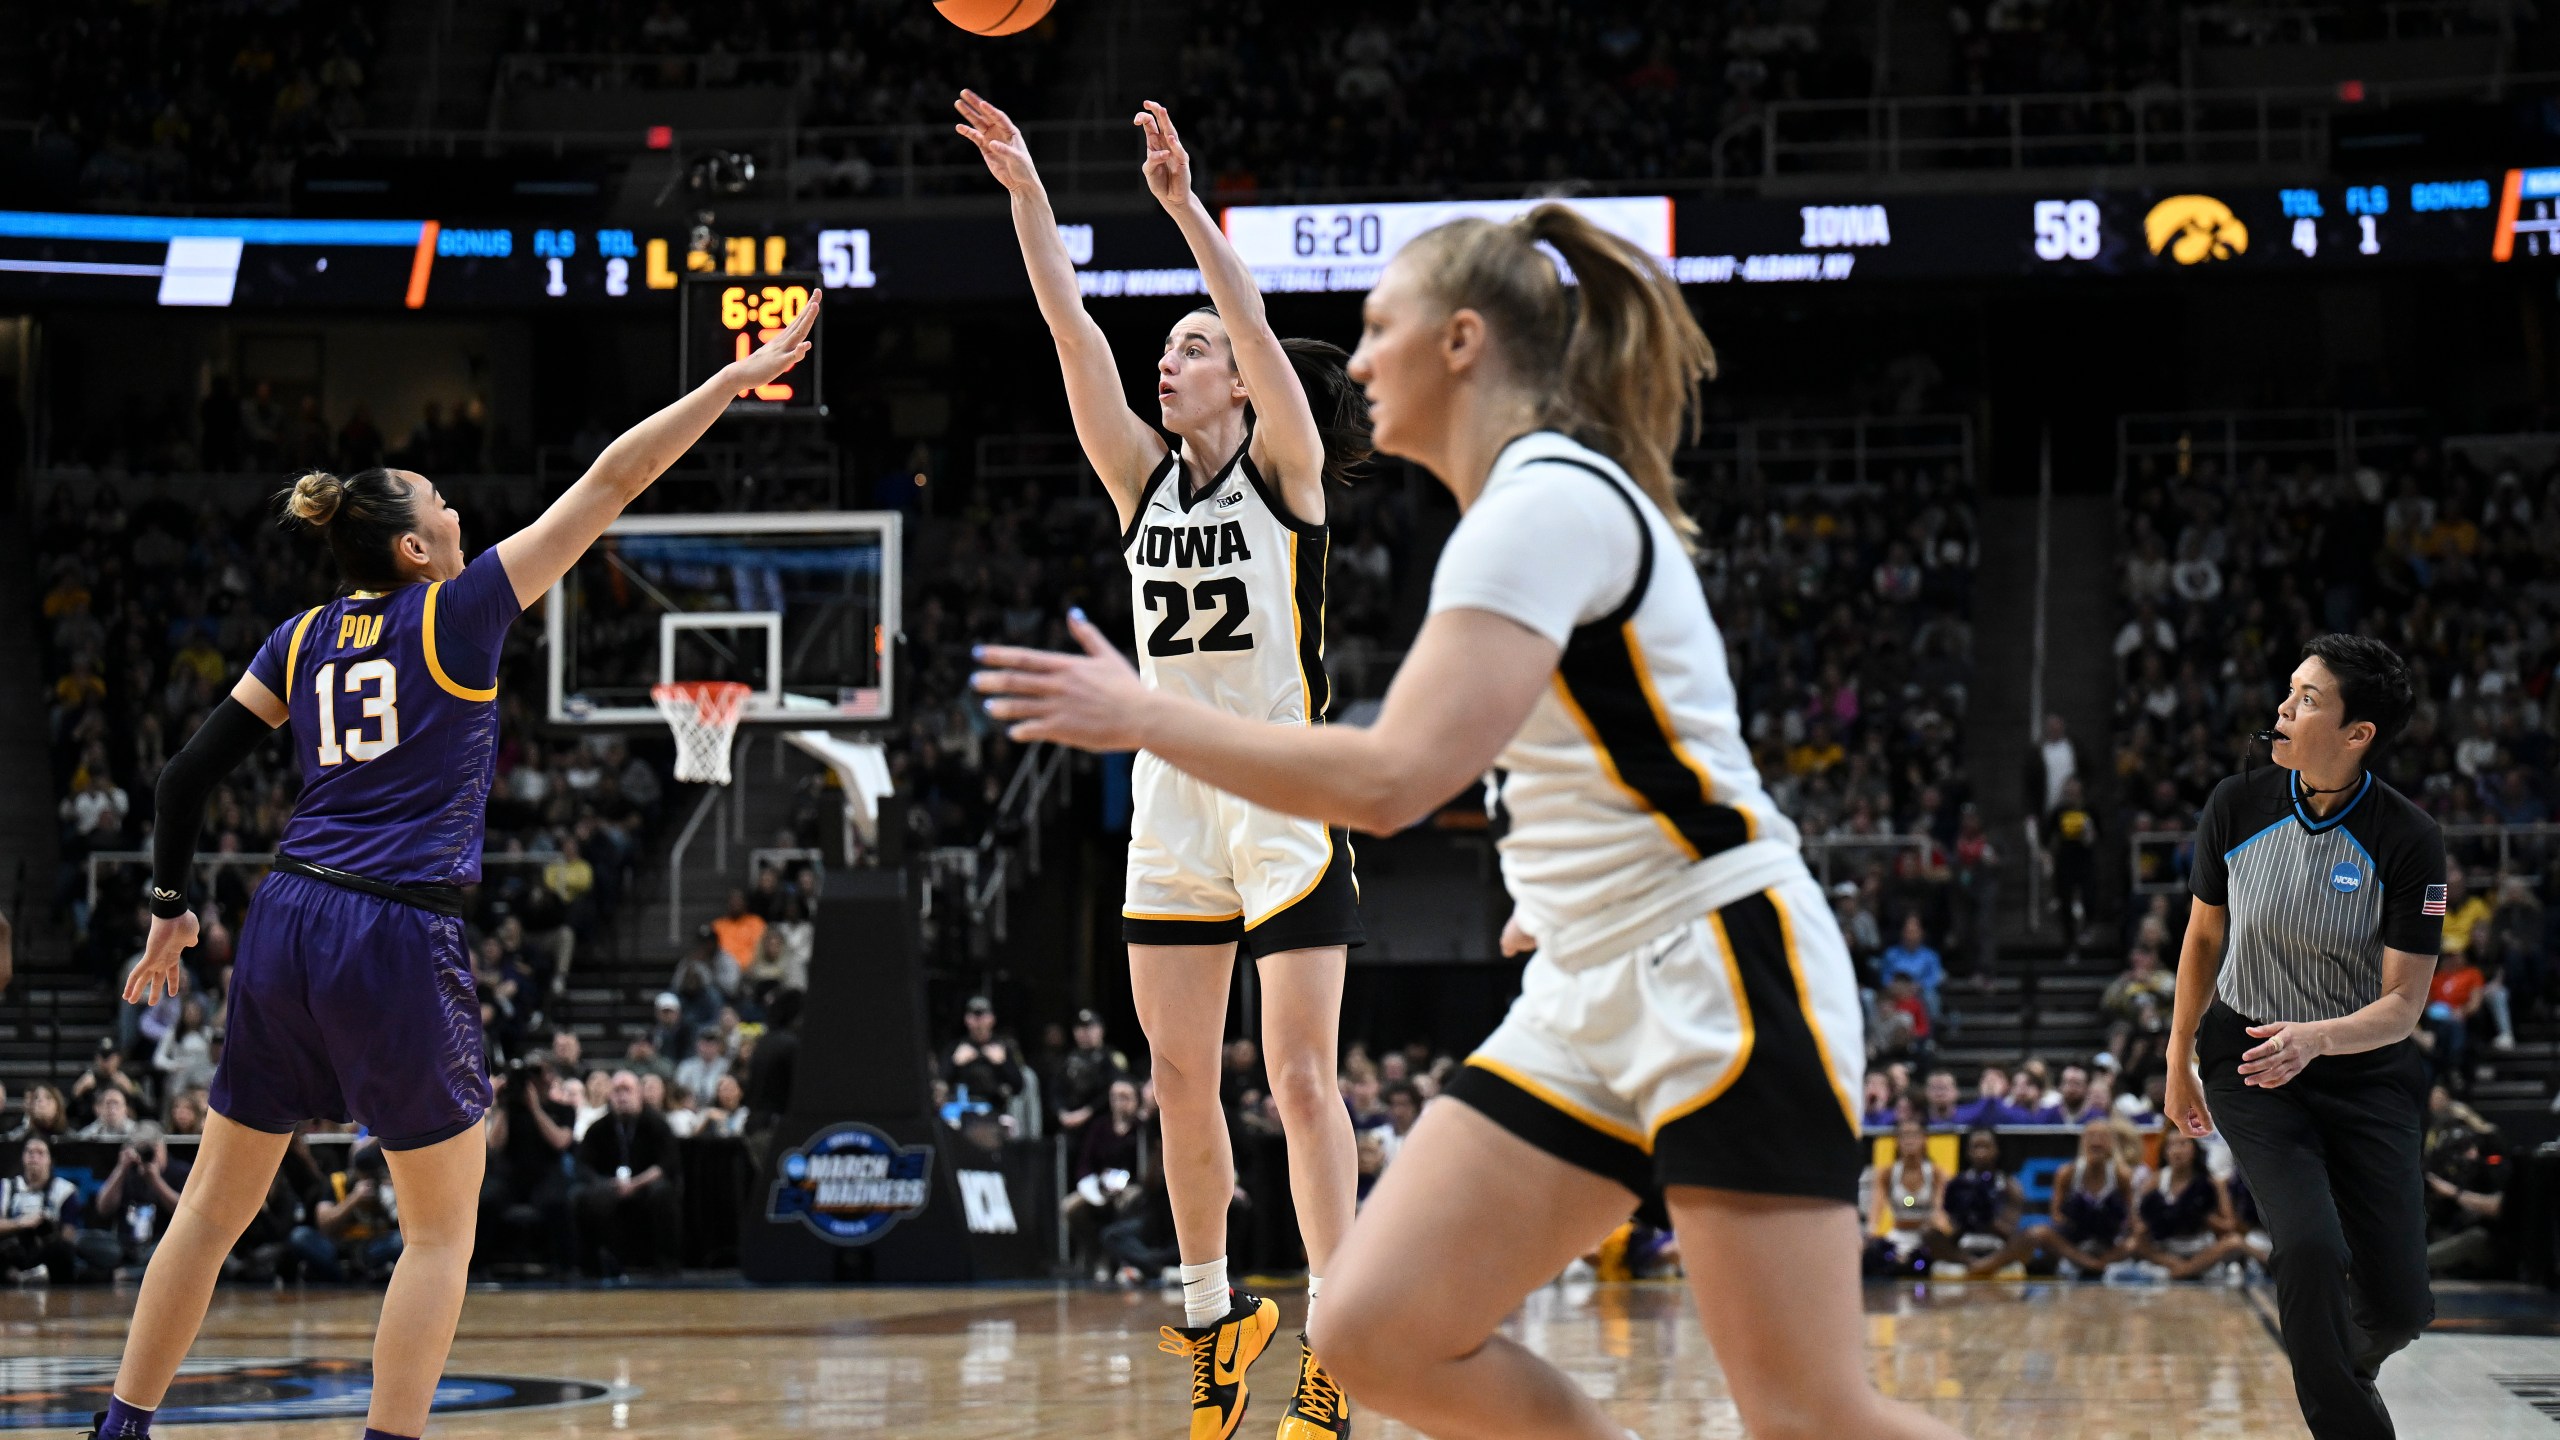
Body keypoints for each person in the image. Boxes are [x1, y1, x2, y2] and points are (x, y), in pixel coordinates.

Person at [974, 201, 1961, 1438]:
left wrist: (1140, 716)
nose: (1358, 360)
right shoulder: (1496, 515)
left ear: (1463, 341)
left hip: (1716, 965)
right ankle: (1221, 1315)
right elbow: (1571, 743)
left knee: (1807, 1416)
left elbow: (1395, 782)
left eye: (1380, 327)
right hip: (1587, 980)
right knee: (1375, 1330)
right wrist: (1551, 901)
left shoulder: (1540, 505)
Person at [98, 295, 816, 1440]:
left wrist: (173, 909)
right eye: (443, 506)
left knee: (207, 1213)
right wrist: (731, 386)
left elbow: (184, 779)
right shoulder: (461, 614)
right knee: (438, 1234)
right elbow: (612, 481)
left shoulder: (301, 637)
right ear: (412, 548)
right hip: (392, 927)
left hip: (285, 918)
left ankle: (122, 1429)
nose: (462, 512)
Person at [959, 90, 1372, 1438]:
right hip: (1174, 804)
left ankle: (1341, 1332)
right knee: (1178, 1083)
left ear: (1245, 382)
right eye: (1175, 348)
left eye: (1193, 350)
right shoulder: (1140, 481)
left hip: (1284, 789)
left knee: (1301, 1080)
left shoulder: (1291, 471)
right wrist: (1028, 189)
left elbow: (1250, 328)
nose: (1171, 362)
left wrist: (1186, 207)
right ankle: (1214, 1323)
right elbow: (1067, 327)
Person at [2163, 634, 2443, 1440]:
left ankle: (2335, 1363)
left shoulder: (2409, 837)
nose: (2283, 709)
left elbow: (2402, 1004)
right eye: (2289, 692)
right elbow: (2203, 939)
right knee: (2311, 1248)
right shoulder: (2235, 803)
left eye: (2308, 700)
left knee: (2399, 1306)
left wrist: (2318, 1039)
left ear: (2358, 734)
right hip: (2247, 1057)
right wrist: (2177, 1054)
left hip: (2364, 1071)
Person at [1963, 1118, 2136, 1278]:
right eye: (2091, 1136)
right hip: (2076, 1240)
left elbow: (2131, 1217)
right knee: (2037, 1233)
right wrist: (2077, 1217)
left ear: (2111, 1143)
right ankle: (1986, 1265)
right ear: (2082, 1142)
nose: (2096, 1141)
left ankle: (2100, 1263)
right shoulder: (2067, 1173)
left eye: (2102, 1137)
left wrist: (2109, 1220)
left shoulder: (2121, 1175)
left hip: (2107, 1239)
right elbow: (2056, 1215)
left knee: (2134, 1242)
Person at [574, 1072, 683, 1277]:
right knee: (581, 1196)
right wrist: (607, 1183)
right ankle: (592, 1267)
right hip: (611, 1186)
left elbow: (667, 1164)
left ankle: (666, 1265)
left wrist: (635, 1184)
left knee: (663, 1193)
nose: (622, 1096)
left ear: (639, 1094)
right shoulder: (598, 1128)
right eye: (617, 1091)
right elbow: (584, 1166)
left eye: (628, 1090)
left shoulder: (657, 1124)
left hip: (646, 1185)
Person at [2127, 1129, 2256, 1280]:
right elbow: (2137, 1222)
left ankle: (2181, 1271)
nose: (2177, 1151)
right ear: (2164, 1152)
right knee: (2133, 1244)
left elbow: (2230, 1225)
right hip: (2167, 1247)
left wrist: (2203, 1216)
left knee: (2234, 1242)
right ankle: (2186, 1269)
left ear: (2194, 1148)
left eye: (2183, 1144)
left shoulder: (2212, 1182)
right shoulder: (2155, 1181)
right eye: (2171, 1146)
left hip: (2200, 1247)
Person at [0, 1136, 83, 1285]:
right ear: (22, 1157)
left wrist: (47, 1229)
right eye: (29, 1152)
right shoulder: (6, 1187)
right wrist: (21, 1223)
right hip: (12, 1249)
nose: (34, 1157)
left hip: (45, 1251)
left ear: (50, 1160)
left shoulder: (64, 1190)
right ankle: (16, 1276)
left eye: (40, 1153)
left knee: (64, 1252)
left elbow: (68, 1236)